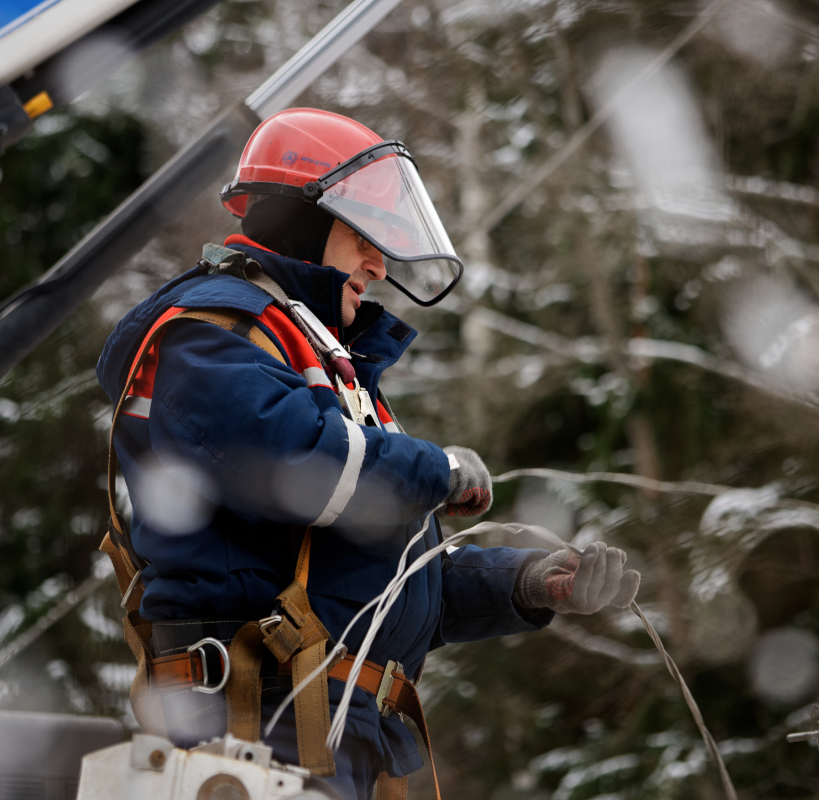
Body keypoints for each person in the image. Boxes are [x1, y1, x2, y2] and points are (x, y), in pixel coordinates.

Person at [95, 108, 641, 800]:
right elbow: (297, 465)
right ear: (302, 218)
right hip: (251, 730)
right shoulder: (207, 337)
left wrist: (528, 583)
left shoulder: (318, 362)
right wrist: (432, 468)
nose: (379, 266)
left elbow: (378, 592)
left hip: (322, 734)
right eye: (364, 238)